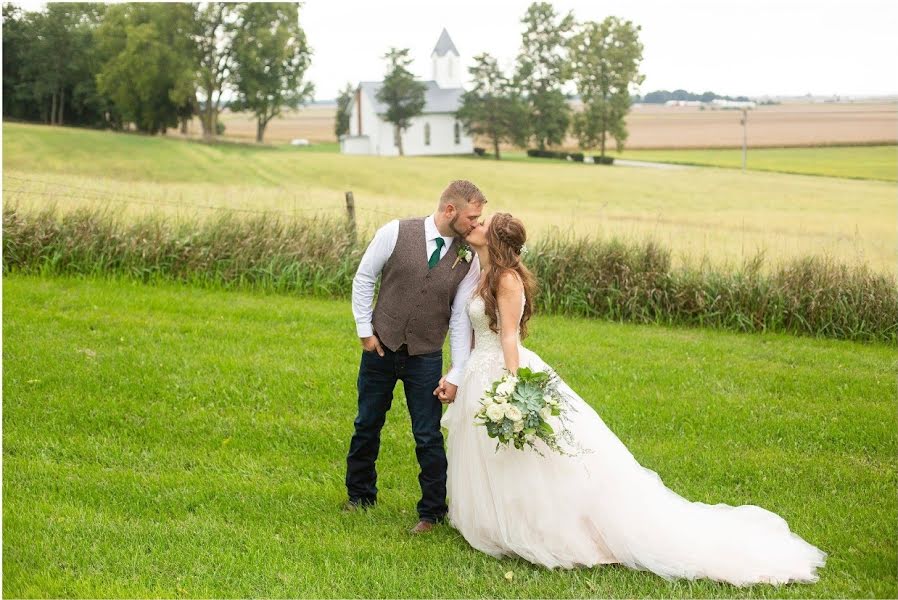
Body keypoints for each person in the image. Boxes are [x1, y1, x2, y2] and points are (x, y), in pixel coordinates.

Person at [438, 212, 826, 585]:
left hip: (504, 370)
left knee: (531, 453)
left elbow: (509, 337)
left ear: (496, 241)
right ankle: (496, 520)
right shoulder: (483, 270)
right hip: (479, 371)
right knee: (497, 454)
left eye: (484, 223)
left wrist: (513, 388)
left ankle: (547, 527)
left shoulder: (507, 279)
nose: (476, 224)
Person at [345, 180, 485, 534]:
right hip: (381, 346)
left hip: (425, 355)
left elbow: (459, 316)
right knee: (367, 424)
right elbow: (364, 278)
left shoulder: (468, 259)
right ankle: (359, 496)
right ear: (450, 210)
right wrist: (365, 330)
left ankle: (432, 512)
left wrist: (456, 371)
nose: (476, 225)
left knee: (427, 434)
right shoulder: (395, 232)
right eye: (472, 217)